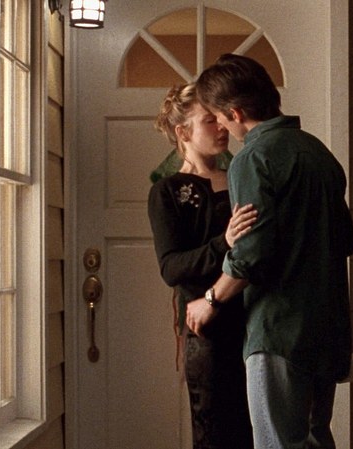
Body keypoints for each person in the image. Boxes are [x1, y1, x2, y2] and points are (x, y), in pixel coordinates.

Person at [188, 54, 353, 449]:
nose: (223, 127)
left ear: (236, 112)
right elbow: (346, 240)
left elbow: (252, 252)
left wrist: (210, 300)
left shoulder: (252, 158)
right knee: (315, 440)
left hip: (279, 330)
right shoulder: (318, 153)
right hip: (327, 328)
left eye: (221, 118)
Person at [147, 83, 256, 449]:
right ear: (183, 132)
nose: (222, 127)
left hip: (258, 324)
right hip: (209, 333)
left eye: (221, 118)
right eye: (210, 120)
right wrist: (223, 242)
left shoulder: (242, 176)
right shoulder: (167, 192)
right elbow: (172, 268)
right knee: (215, 436)